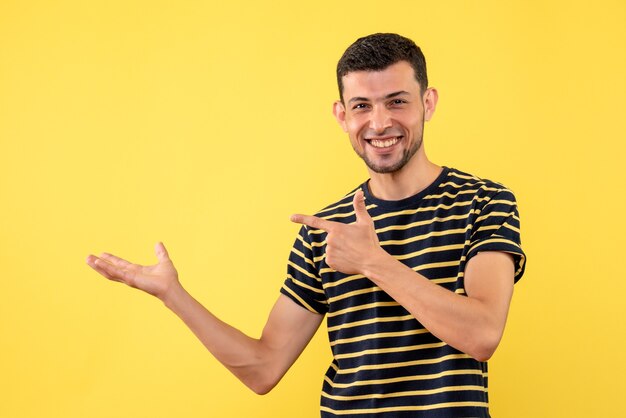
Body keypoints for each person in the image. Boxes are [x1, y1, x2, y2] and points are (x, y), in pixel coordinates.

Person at [87, 33, 525, 417]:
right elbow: (263, 368)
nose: (379, 123)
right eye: (361, 106)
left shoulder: (485, 202)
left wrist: (373, 262)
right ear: (341, 115)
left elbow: (483, 334)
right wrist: (173, 295)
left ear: (427, 103)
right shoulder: (324, 231)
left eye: (397, 101)